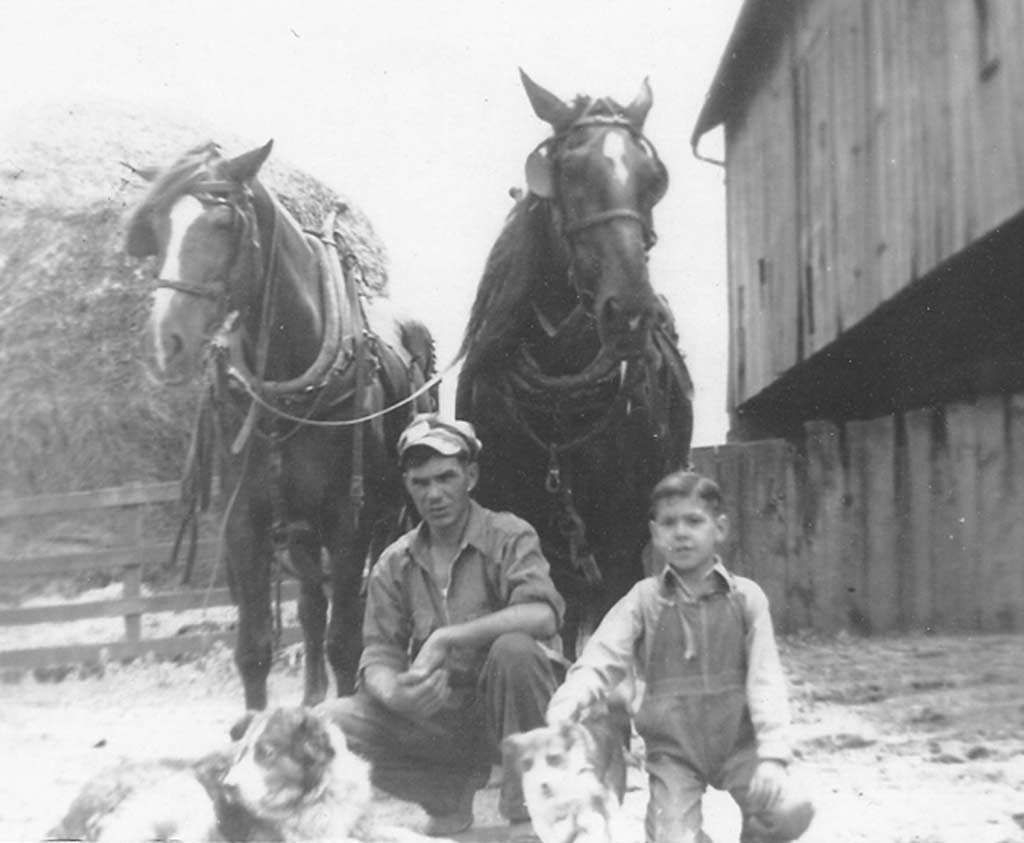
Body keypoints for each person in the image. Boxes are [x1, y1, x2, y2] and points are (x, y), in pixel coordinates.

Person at [320, 413, 565, 839]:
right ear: (408, 486)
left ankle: (526, 809)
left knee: (515, 650)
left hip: (511, 712)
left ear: (470, 476)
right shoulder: (394, 562)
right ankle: (445, 794)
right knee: (333, 722)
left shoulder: (509, 535)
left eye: (445, 477)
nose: (434, 493)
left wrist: (446, 636)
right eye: (420, 482)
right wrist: (395, 693)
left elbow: (542, 613)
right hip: (440, 718)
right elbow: (378, 654)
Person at [546, 470, 814, 843]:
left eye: (694, 521)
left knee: (790, 808)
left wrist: (772, 755)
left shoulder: (746, 598)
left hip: (739, 745)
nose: (681, 533)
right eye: (669, 523)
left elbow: (766, 680)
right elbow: (600, 659)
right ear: (655, 534)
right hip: (674, 753)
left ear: (719, 528)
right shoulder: (643, 600)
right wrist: (566, 703)